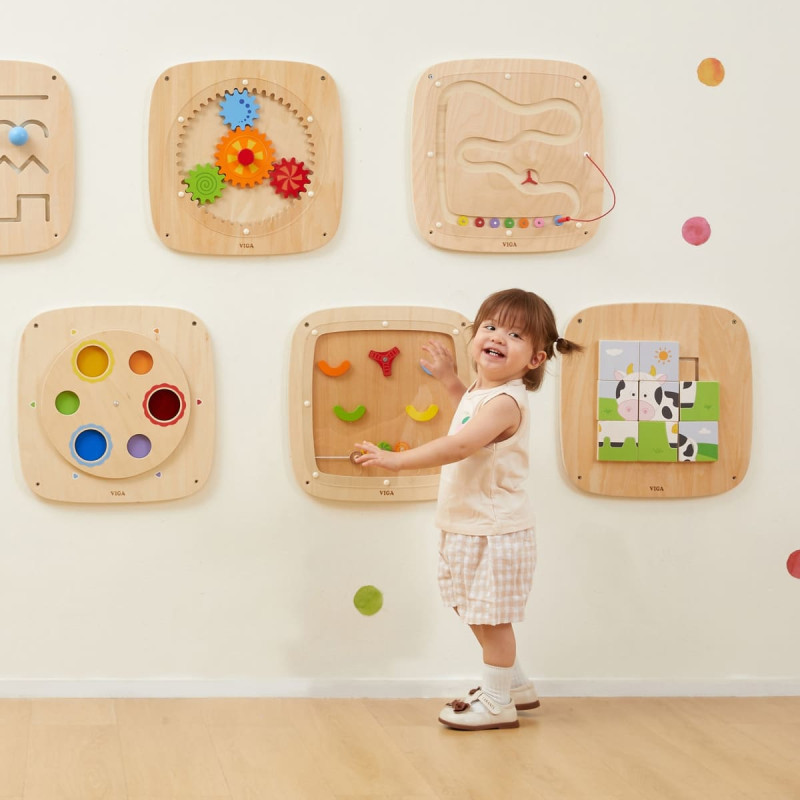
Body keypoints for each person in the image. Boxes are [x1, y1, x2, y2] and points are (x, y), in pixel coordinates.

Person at [355, 288, 582, 731]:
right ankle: (513, 684)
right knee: (470, 607)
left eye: (515, 334)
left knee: (491, 620)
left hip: (493, 531)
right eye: (490, 327)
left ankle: (498, 702)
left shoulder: (506, 402)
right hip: (466, 524)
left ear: (535, 359)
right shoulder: (483, 392)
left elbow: (460, 444)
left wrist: (397, 461)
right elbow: (467, 406)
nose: (497, 337)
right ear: (475, 335)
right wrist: (448, 378)